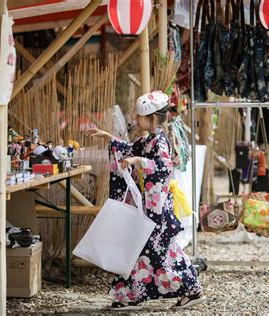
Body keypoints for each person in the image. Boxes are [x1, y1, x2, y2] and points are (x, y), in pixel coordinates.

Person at [86, 91, 205, 311]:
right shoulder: (150, 139)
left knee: (155, 253)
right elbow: (129, 150)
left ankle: (186, 289)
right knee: (151, 252)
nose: (135, 120)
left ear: (151, 118)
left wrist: (139, 161)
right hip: (151, 206)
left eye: (139, 117)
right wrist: (108, 137)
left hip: (156, 208)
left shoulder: (159, 142)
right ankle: (136, 295)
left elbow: (163, 167)